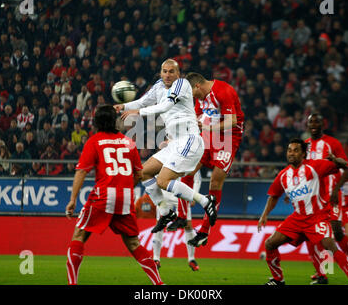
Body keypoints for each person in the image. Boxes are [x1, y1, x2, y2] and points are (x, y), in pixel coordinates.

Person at [114, 59, 217, 234]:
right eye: (164, 71)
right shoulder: (159, 86)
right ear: (160, 72)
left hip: (189, 140)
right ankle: (165, 212)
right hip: (173, 143)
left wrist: (139, 112)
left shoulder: (181, 84)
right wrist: (123, 106)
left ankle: (206, 201)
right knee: (143, 172)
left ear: (178, 74)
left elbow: (166, 105)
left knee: (163, 181)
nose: (167, 75)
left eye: (171, 71)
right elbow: (142, 101)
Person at [65, 105, 163, 285]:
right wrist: (124, 187)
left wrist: (72, 200)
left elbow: (81, 172)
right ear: (114, 121)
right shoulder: (129, 142)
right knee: (134, 244)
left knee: (79, 235)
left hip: (104, 195)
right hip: (126, 198)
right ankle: (158, 283)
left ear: (97, 122)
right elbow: (139, 174)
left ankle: (72, 283)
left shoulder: (94, 141)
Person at [258, 138, 348, 285]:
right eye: (289, 150)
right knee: (270, 244)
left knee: (330, 247)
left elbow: (346, 167)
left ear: (303, 154)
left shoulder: (316, 166)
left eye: (295, 150)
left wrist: (336, 161)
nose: (291, 153)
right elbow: (274, 196)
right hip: (297, 218)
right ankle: (278, 280)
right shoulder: (283, 175)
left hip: (317, 216)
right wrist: (264, 215)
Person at [167, 72, 244, 248]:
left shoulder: (224, 91)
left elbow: (232, 121)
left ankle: (204, 232)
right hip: (209, 135)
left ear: (198, 86)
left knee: (215, 183)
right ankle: (181, 216)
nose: (195, 98)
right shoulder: (200, 96)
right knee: (187, 169)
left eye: (195, 95)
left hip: (228, 138)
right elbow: (196, 118)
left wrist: (207, 125)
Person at [304, 112, 348, 284]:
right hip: (311, 198)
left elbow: (346, 166)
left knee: (337, 233)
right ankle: (324, 273)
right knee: (315, 236)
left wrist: (336, 189)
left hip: (331, 195)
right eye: (311, 122)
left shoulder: (332, 143)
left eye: (316, 122)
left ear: (323, 124)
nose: (313, 124)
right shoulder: (305, 145)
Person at [151, 170, 202, 272]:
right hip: (164, 195)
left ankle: (191, 259)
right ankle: (156, 258)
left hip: (182, 196)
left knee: (188, 225)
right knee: (160, 224)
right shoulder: (164, 157)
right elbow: (155, 177)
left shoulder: (191, 157)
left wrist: (193, 195)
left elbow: (197, 179)